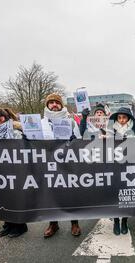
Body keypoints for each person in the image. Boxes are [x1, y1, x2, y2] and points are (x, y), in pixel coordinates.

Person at [42, 93, 82, 239]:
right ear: (47, 105)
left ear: (61, 105)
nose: (54, 105)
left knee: (70, 193)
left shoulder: (70, 122)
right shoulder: (41, 123)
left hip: (67, 162)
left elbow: (79, 141)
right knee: (51, 194)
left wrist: (73, 140)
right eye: (50, 102)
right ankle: (53, 223)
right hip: (48, 163)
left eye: (56, 102)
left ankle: (74, 222)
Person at [0, 108, 28, 238]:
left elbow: (20, 151)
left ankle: (20, 225)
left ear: (2, 119)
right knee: (3, 199)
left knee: (14, 198)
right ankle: (8, 224)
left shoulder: (15, 132)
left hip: (13, 171)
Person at [108, 107, 135, 235]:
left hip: (129, 166)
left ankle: (125, 221)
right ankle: (116, 220)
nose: (121, 120)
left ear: (129, 119)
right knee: (114, 193)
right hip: (114, 165)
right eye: (119, 117)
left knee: (127, 194)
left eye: (124, 117)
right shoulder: (111, 130)